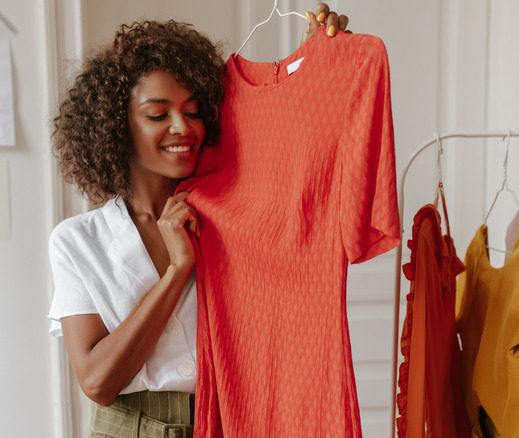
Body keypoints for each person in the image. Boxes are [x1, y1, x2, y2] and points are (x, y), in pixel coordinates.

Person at [49, 4, 349, 436]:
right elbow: (97, 381)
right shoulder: (78, 240)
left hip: (228, 420)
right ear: (116, 125)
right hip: (127, 427)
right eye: (158, 114)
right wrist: (177, 271)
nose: (182, 127)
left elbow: (291, 158)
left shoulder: (231, 215)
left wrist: (317, 55)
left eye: (192, 112)